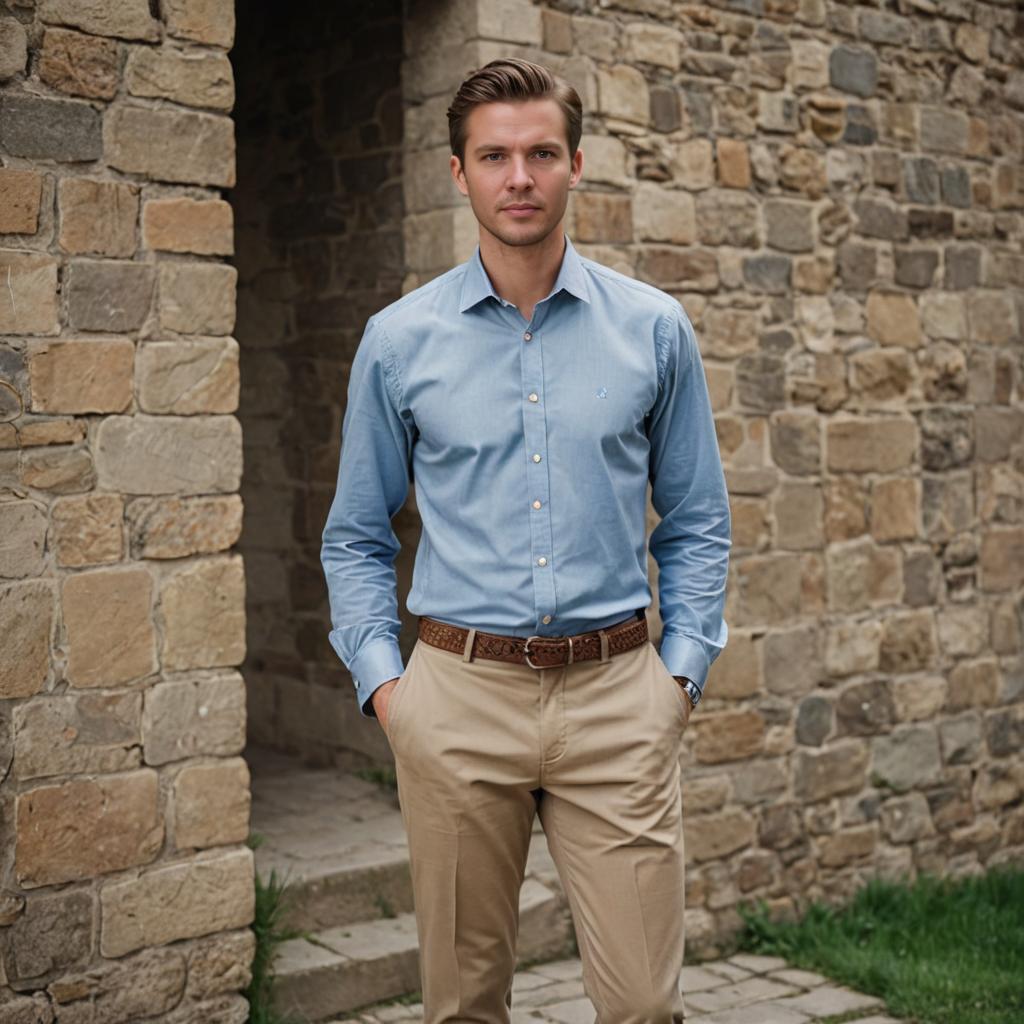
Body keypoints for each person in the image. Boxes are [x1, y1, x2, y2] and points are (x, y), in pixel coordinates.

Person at [321, 57, 730, 1024]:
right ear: (459, 174)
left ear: (576, 164)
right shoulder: (398, 340)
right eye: (494, 155)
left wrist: (680, 677)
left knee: (644, 1006)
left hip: (620, 699)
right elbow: (354, 535)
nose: (520, 177)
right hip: (459, 699)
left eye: (541, 152)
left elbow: (699, 520)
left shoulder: (655, 330)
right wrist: (390, 690)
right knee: (462, 1008)